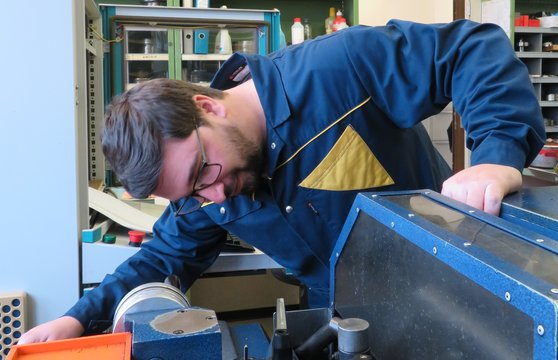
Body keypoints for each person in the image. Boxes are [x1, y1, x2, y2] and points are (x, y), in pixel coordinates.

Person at [20, 19, 544, 343]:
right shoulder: (206, 192)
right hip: (341, 314)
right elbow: (162, 259)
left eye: (203, 172)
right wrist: (77, 319)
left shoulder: (338, 70)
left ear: (206, 106)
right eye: (191, 194)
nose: (213, 195)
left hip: (448, 285)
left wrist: (495, 156)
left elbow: (468, 50)